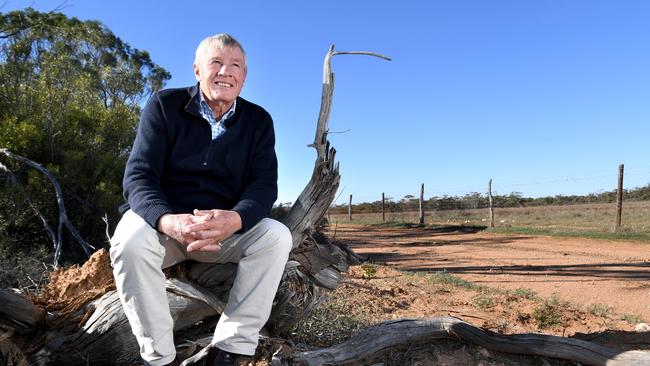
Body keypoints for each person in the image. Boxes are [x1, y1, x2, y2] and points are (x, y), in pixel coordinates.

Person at [109, 33, 292, 366]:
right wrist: (169, 221)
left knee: (276, 237)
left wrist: (234, 220)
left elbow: (264, 186)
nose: (226, 71)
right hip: (165, 229)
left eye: (235, 65)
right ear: (197, 70)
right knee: (130, 241)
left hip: (225, 233)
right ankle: (159, 358)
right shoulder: (165, 106)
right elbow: (138, 177)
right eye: (216, 63)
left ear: (244, 77)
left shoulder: (259, 121)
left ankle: (229, 350)